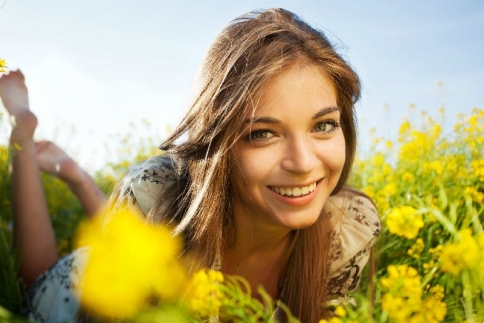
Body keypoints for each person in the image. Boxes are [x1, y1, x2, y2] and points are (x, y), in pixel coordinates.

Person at [1, 8, 380, 323]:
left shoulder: (350, 228)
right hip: (80, 292)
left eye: (324, 125)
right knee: (36, 284)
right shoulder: (151, 191)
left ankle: (75, 175)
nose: (303, 163)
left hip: (142, 238)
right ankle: (23, 134)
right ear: (217, 144)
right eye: (262, 133)